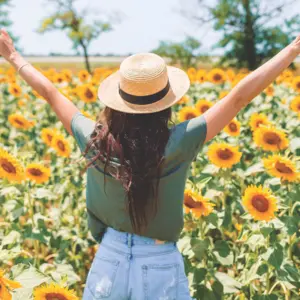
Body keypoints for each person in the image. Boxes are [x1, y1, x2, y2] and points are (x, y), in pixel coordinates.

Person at [0, 28, 299, 299]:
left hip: (110, 258)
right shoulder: (180, 141)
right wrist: (293, 49)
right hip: (159, 264)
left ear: (116, 100)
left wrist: (12, 55)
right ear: (165, 102)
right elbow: (238, 98)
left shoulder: (95, 138)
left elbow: (51, 94)